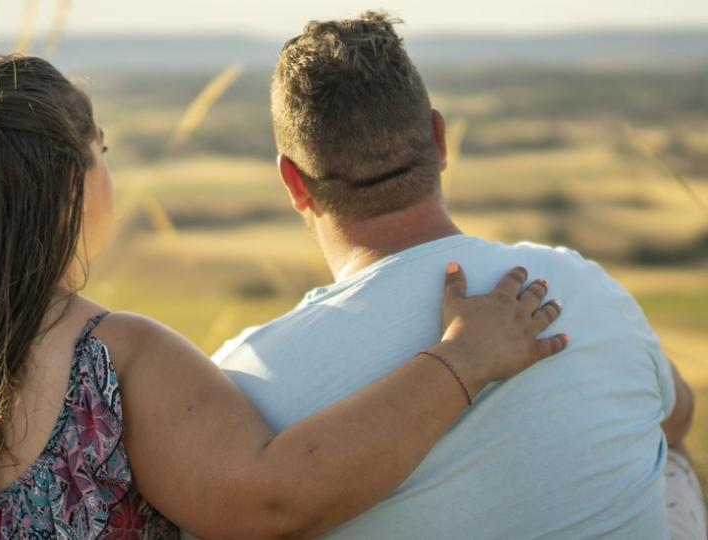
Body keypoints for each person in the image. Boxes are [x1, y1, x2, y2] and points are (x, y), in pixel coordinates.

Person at [0, 54, 568, 540]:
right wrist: (463, 360)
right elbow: (276, 500)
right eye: (103, 155)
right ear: (72, 186)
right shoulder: (111, 359)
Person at [195, 11, 706, 540]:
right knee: (668, 457)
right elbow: (676, 415)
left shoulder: (244, 385)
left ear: (293, 182)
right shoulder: (581, 283)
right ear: (440, 139)